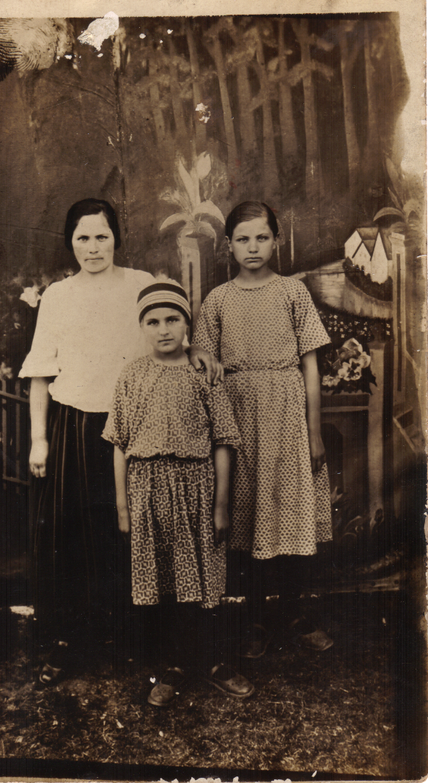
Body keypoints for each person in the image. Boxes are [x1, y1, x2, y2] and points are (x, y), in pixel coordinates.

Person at [19, 199, 219, 685]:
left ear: (116, 239)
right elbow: (41, 374)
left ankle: (138, 637)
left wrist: (196, 350)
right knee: (71, 535)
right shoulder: (58, 296)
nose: (93, 248)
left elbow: (170, 328)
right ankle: (72, 640)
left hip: (139, 425)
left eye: (102, 236)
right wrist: (39, 440)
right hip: (74, 426)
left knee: (135, 529)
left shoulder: (138, 284)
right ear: (70, 243)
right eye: (83, 238)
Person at [102, 281, 254, 706]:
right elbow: (119, 443)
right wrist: (123, 506)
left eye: (173, 319)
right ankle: (172, 667)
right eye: (153, 322)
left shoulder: (203, 373)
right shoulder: (132, 375)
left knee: (203, 580)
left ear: (187, 324)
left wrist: (220, 505)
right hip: (147, 491)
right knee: (162, 581)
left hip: (197, 489)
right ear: (141, 327)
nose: (164, 329)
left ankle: (213, 662)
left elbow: (224, 441)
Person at [193, 201, 334, 657]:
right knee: (248, 514)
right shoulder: (218, 300)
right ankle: (254, 619)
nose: (252, 247)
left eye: (261, 237)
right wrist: (204, 360)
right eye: (243, 239)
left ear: (276, 240)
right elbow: (202, 360)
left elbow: (310, 366)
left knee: (289, 510)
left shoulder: (293, 292)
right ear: (228, 246)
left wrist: (314, 432)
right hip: (238, 416)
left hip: (288, 414)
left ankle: (294, 614)